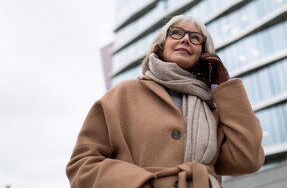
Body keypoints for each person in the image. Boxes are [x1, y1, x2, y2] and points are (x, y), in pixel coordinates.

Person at [66, 14, 265, 188]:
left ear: (204, 54)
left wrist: (224, 87)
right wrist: (146, 183)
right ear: (160, 46)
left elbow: (248, 158)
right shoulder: (124, 94)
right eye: (176, 33)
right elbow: (83, 165)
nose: (186, 39)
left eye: (196, 38)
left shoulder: (211, 108)